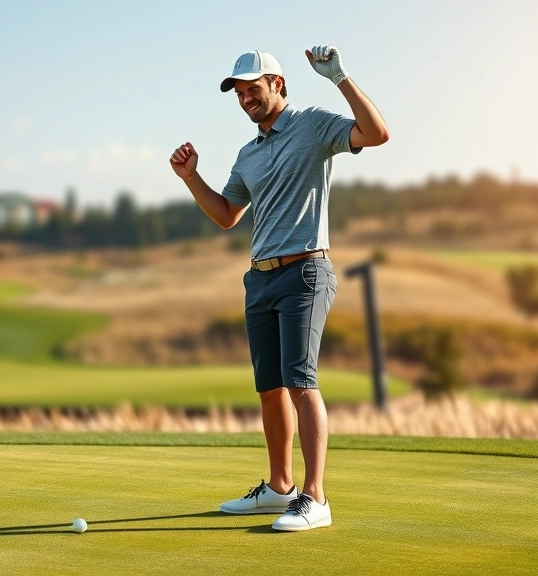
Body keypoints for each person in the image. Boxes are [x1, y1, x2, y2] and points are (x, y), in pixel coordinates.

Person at [169, 45, 389, 531]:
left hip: (305, 272)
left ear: (278, 85)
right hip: (260, 279)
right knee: (270, 388)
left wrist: (340, 78)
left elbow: (376, 134)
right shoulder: (248, 153)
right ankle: (279, 488)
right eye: (239, 93)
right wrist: (191, 177)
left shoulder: (312, 125)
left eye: (254, 89)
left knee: (300, 383)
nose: (246, 98)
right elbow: (227, 215)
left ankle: (316, 498)